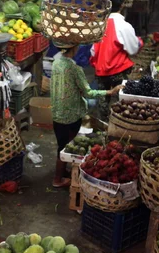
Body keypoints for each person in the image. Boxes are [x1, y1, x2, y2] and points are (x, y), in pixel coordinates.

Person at [51, 43, 123, 188]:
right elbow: (88, 92)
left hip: (57, 112)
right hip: (71, 114)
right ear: (75, 48)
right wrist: (110, 92)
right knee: (66, 146)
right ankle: (58, 179)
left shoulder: (56, 63)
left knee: (62, 143)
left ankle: (63, 172)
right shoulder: (75, 68)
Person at [89, 0, 142, 119]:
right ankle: (120, 123)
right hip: (119, 70)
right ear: (122, 4)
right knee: (122, 101)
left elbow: (93, 51)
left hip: (101, 71)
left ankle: (103, 124)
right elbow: (133, 49)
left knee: (103, 100)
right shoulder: (124, 26)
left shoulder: (99, 25)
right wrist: (139, 42)